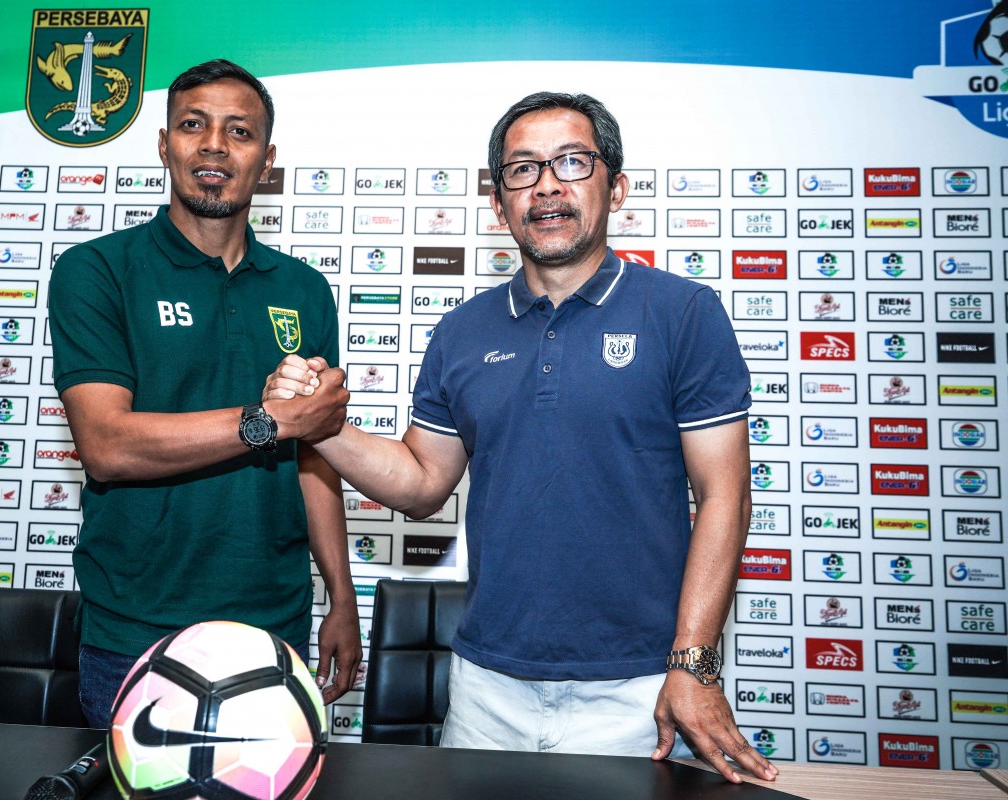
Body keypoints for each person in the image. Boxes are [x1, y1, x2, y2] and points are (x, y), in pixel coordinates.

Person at [265, 92, 778, 783]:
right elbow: (421, 482)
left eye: (572, 162)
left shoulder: (684, 313)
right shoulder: (461, 332)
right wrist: (319, 426)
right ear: (498, 204)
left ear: (616, 188)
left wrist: (693, 663)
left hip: (641, 689)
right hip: (486, 689)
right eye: (523, 169)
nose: (547, 186)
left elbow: (726, 497)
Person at [49, 59, 361, 729]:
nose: (215, 145)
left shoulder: (304, 289)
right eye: (194, 126)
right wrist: (267, 421)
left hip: (273, 625)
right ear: (165, 146)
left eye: (239, 131)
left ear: (266, 160)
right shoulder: (96, 270)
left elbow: (314, 451)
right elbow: (106, 445)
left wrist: (341, 596)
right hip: (136, 629)